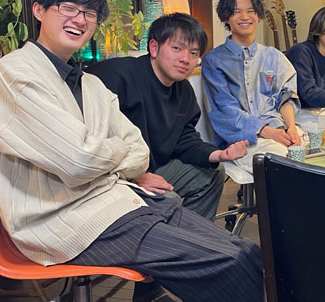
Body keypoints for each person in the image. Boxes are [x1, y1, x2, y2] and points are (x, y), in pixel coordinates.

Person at [0, 0, 265, 302]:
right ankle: (154, 290)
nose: (80, 19)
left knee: (247, 251)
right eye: (68, 8)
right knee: (227, 263)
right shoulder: (15, 74)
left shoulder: (89, 84)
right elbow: (78, 160)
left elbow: (139, 151)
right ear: (39, 10)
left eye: (89, 13)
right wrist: (114, 155)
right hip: (66, 220)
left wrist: (106, 154)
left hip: (117, 200)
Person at [88, 13, 248, 220]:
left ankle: (192, 236)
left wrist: (219, 154)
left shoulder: (184, 90)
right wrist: (133, 176)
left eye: (193, 53)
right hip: (110, 177)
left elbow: (184, 140)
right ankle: (170, 236)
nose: (185, 59)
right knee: (167, 199)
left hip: (150, 169)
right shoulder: (117, 75)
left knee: (213, 173)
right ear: (154, 48)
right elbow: (92, 140)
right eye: (177, 48)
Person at [202, 0, 302, 169]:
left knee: (317, 153)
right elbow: (225, 110)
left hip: (280, 130)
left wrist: (292, 128)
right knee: (281, 162)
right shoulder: (214, 61)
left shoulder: (274, 56)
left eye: (250, 11)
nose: (245, 17)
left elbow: (286, 96)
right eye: (236, 12)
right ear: (226, 17)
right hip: (241, 140)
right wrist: (264, 130)